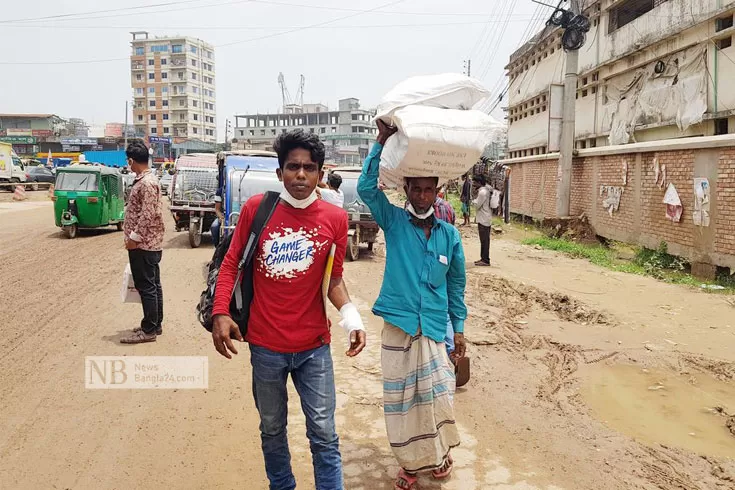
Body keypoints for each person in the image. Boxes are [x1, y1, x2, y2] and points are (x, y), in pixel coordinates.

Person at [212, 129, 367, 490]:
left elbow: (333, 279)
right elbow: (231, 263)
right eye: (293, 167)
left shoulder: (335, 220)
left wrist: (351, 317)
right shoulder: (257, 209)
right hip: (266, 347)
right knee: (272, 428)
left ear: (320, 173)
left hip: (314, 348)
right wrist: (221, 311)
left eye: (309, 168)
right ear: (280, 172)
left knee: (325, 433)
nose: (300, 175)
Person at [358, 121, 467, 490]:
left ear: (437, 192)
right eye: (416, 189)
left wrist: (461, 328)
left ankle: (438, 456)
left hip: (435, 328)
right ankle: (408, 464)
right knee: (402, 401)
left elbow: (456, 285)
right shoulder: (394, 222)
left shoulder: (449, 235)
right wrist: (381, 140)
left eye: (428, 190)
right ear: (406, 189)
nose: (422, 195)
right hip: (399, 326)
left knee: (437, 397)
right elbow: (364, 189)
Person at [120, 139, 165, 344]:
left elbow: (147, 215)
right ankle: (154, 324)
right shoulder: (148, 180)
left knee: (147, 286)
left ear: (131, 161)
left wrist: (133, 239)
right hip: (149, 244)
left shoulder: (146, 183)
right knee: (153, 285)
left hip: (144, 245)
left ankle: (149, 330)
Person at [473, 174, 493, 267]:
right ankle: (483, 258)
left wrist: (472, 201)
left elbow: (477, 205)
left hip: (483, 219)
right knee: (484, 240)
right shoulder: (486, 190)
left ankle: (485, 260)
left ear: (479, 183)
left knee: (484, 240)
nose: (474, 184)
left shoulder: (482, 193)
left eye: (475, 182)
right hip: (485, 218)